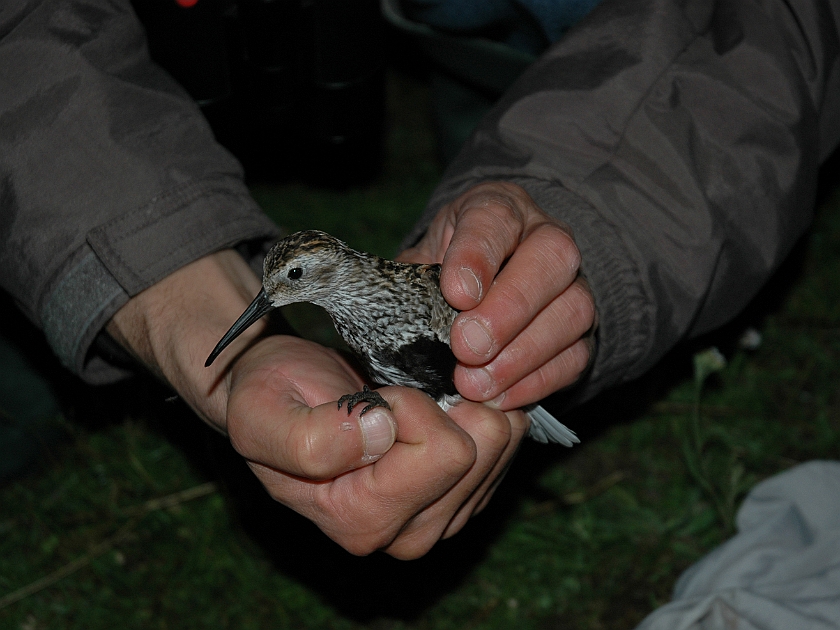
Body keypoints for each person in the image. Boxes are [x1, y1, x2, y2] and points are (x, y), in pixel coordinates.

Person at [1, 0, 838, 565]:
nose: (276, 299)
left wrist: (577, 228)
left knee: (473, 370)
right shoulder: (343, 314)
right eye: (277, 285)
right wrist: (185, 308)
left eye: (290, 281)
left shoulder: (378, 300)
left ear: (324, 271)